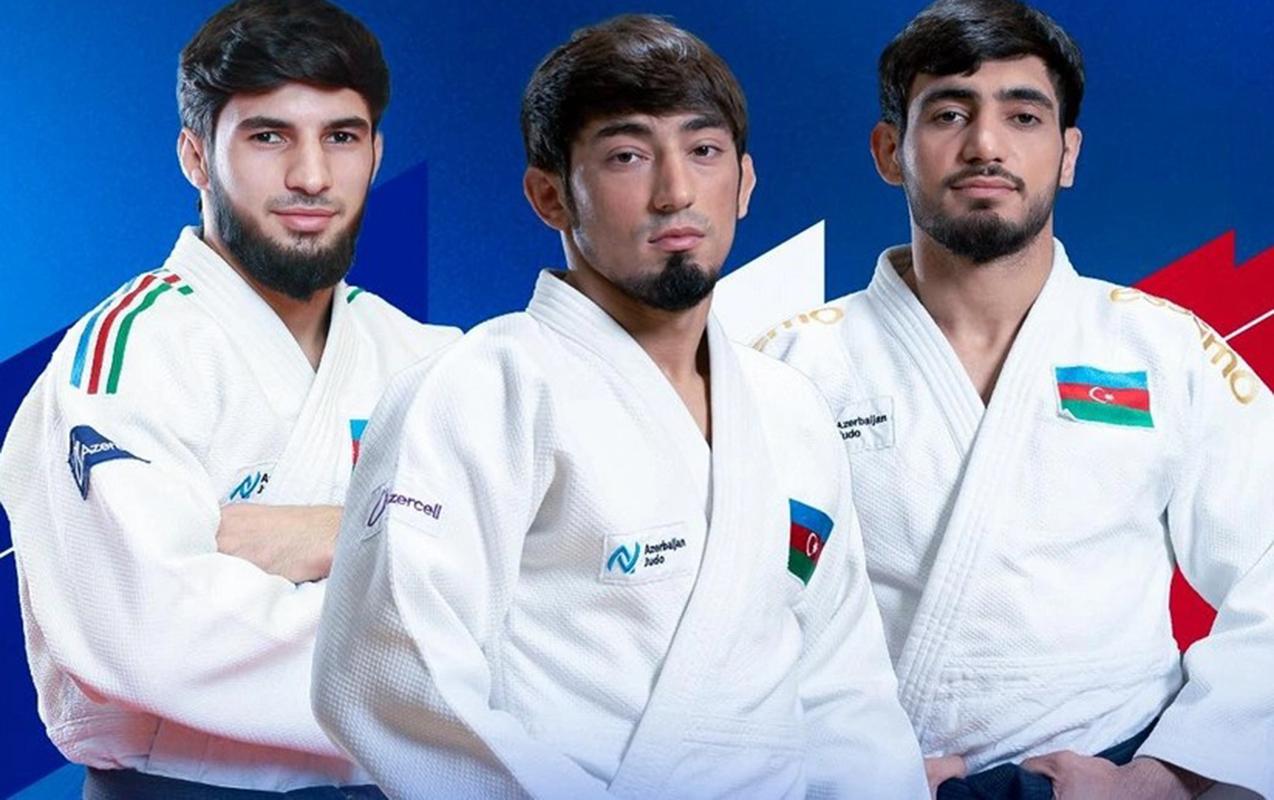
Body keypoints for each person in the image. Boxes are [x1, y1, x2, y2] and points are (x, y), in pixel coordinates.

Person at [311, 14, 928, 799]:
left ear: (744, 183)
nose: (676, 193)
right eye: (627, 156)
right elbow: (394, 676)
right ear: (549, 195)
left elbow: (847, 694)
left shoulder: (791, 409)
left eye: (703, 151)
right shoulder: (479, 390)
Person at [756, 0, 1274, 798]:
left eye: (1024, 116)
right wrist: (827, 767)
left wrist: (1165, 777)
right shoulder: (786, 367)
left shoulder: (1165, 351)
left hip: (1109, 774)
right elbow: (718, 611)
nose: (986, 145)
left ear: (1068, 154)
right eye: (949, 113)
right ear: (890, 151)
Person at [0, 0, 459, 796]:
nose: (311, 176)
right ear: (196, 156)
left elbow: (554, 578)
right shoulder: (125, 358)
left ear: (376, 152)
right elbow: (159, 633)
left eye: (341, 137)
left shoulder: (430, 358)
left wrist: (335, 530)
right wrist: (436, 600)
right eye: (268, 136)